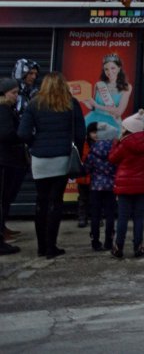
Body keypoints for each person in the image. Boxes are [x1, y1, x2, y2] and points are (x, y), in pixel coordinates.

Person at [18, 72, 87, 259]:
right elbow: (81, 134)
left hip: (40, 159)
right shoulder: (71, 104)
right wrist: (77, 153)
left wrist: (35, 143)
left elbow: (23, 133)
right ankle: (51, 246)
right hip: (62, 158)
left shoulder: (34, 104)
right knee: (56, 201)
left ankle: (41, 246)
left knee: (41, 201)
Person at [109, 111, 144, 258]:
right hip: (143, 185)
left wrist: (115, 144)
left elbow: (112, 159)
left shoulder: (124, 143)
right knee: (139, 217)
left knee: (123, 217)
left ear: (128, 129)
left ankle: (119, 246)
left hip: (125, 186)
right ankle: (138, 246)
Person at [0, 78, 26, 254]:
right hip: (5, 161)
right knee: (3, 199)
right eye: (13, 93)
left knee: (5, 200)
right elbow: (6, 134)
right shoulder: (3, 110)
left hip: (8, 160)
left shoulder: (7, 109)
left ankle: (2, 229)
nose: (16, 96)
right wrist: (22, 135)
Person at [84, 121, 117, 252]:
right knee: (110, 214)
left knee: (95, 215)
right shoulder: (115, 150)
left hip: (96, 186)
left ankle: (95, 242)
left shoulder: (93, 149)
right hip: (110, 186)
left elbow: (87, 168)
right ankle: (109, 241)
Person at [82, 53, 132, 134]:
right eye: (106, 69)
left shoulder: (127, 87)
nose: (109, 72)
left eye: (113, 68)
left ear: (119, 68)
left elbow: (119, 111)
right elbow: (93, 107)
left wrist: (97, 105)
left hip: (111, 123)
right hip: (92, 120)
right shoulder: (99, 85)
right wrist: (85, 101)